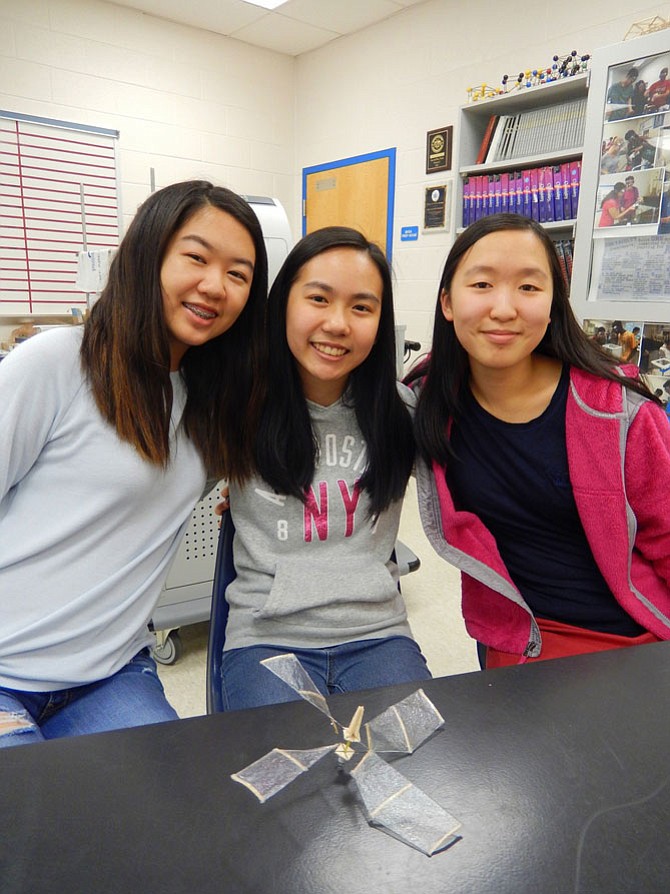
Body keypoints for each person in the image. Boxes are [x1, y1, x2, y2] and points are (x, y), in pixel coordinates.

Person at [0, 180, 268, 746]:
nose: (214, 286)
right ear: (148, 255)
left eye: (239, 274)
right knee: (30, 824)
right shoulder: (55, 364)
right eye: (195, 257)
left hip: (111, 673)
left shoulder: (213, 399)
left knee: (165, 821)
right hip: (5, 670)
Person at [406, 213, 670, 669]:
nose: (504, 308)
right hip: (518, 639)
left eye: (529, 287)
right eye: (482, 284)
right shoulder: (426, 401)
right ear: (447, 302)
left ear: (552, 304)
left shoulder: (619, 413)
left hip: (634, 637)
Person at [217, 226, 430, 710]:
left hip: (378, 635)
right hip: (268, 637)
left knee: (417, 763)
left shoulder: (400, 412)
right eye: (318, 298)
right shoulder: (239, 405)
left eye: (361, 307)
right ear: (283, 304)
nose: (338, 324)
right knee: (290, 776)